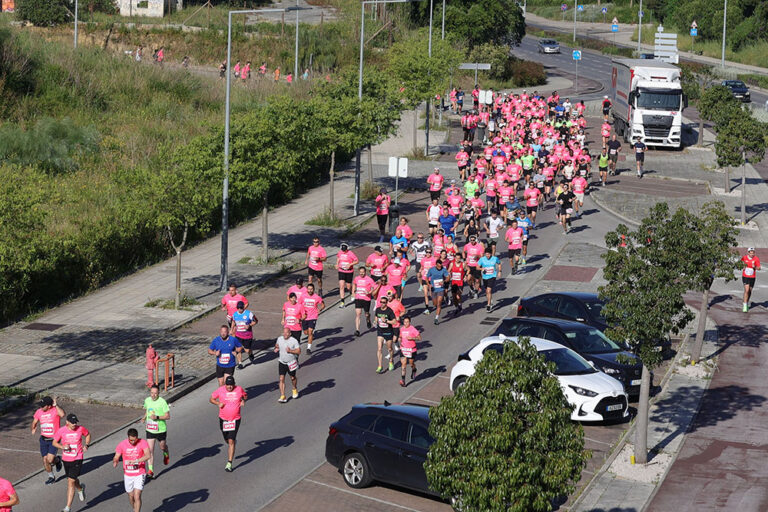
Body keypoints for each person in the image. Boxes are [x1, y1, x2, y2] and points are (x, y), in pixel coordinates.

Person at [52, 413, 90, 512]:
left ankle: (67, 508)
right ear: (67, 422)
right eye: (72, 422)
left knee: (70, 481)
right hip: (66, 459)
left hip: (78, 458)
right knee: (72, 479)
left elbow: (87, 434)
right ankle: (80, 488)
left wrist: (86, 445)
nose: (74, 424)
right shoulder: (61, 430)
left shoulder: (80, 429)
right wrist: (62, 447)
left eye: (75, 422)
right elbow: (54, 442)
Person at [209, 376, 247, 471]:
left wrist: (243, 400)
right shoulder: (220, 390)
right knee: (226, 438)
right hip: (223, 419)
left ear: (234, 384)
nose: (229, 387)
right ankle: (231, 441)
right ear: (225, 385)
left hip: (235, 419)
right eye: (228, 385)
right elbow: (211, 399)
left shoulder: (239, 389)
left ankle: (229, 463)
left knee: (231, 441)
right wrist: (218, 403)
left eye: (231, 385)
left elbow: (245, 395)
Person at [113, 428, 150, 512]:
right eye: (131, 440)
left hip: (140, 473)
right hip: (128, 474)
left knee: (137, 495)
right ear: (128, 437)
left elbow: (148, 455)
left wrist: (136, 461)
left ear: (137, 437)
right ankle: (135, 509)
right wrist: (115, 461)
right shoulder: (122, 444)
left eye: (134, 440)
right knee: (131, 496)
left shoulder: (143, 442)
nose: (133, 442)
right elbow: (116, 456)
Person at [30, 396, 64, 485]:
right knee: (45, 460)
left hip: (54, 440)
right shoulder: (39, 411)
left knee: (49, 460)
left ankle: (57, 460)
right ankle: (51, 476)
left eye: (43, 406)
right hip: (43, 440)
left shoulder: (55, 410)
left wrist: (56, 405)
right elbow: (34, 421)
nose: (41, 407)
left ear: (49, 406)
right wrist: (33, 427)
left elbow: (62, 415)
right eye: (40, 405)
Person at [142, 385, 170, 479]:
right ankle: (150, 471)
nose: (153, 395)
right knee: (150, 450)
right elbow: (147, 409)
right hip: (150, 429)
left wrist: (157, 417)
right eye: (152, 393)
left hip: (161, 429)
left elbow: (168, 416)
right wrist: (144, 417)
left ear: (159, 393)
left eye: (155, 393)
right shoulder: (147, 400)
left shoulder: (162, 402)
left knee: (162, 446)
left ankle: (166, 452)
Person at [275, 328, 301, 402]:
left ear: (290, 334)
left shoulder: (294, 341)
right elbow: (277, 345)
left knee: (292, 378)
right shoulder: (279, 339)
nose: (285, 334)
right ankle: (283, 396)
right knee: (281, 379)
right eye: (284, 332)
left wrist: (290, 351)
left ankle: (294, 388)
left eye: (287, 333)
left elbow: (299, 351)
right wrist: (277, 348)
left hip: (291, 362)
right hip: (282, 362)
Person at [231, 301, 258, 367]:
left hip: (247, 335)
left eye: (241, 308)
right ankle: (240, 363)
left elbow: (256, 321)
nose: (240, 309)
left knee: (247, 350)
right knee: (238, 349)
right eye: (238, 308)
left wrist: (249, 325)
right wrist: (231, 329)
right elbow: (233, 322)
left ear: (243, 307)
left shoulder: (249, 313)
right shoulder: (235, 314)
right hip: (238, 335)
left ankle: (250, 353)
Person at [373, 296, 396, 373]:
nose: (382, 304)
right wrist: (375, 322)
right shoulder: (378, 310)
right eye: (381, 302)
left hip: (388, 332)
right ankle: (380, 366)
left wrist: (386, 321)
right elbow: (376, 317)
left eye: (384, 302)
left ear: (386, 303)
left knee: (389, 349)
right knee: (379, 348)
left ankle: (391, 361)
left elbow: (394, 322)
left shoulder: (389, 311)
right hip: (380, 332)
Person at [398, 316, 421, 387]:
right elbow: (400, 336)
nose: (406, 323)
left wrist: (412, 338)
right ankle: (403, 381)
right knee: (403, 365)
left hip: (411, 350)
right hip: (403, 349)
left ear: (410, 322)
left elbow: (419, 338)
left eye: (407, 322)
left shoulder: (412, 329)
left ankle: (414, 369)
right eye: (405, 322)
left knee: (411, 363)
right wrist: (399, 338)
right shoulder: (402, 329)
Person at [301, 283, 324, 354]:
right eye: (309, 289)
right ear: (307, 289)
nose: (310, 290)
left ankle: (308, 348)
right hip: (305, 317)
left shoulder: (317, 297)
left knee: (310, 332)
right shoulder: (303, 296)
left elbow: (323, 305)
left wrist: (320, 309)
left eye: (311, 289)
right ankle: (310, 337)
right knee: (306, 332)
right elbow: (299, 305)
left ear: (313, 289)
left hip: (313, 317)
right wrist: (301, 314)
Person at [352, 266, 375, 337]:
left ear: (365, 272)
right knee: (358, 314)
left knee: (366, 314)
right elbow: (354, 284)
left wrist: (369, 292)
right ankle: (357, 330)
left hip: (366, 299)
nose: (361, 273)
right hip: (358, 298)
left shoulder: (369, 279)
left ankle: (368, 319)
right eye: (360, 272)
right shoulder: (356, 278)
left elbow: (374, 287)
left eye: (363, 272)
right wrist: (353, 292)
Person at [426, 259, 449, 325]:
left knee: (439, 304)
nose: (440, 268)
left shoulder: (443, 269)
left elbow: (448, 277)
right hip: (434, 289)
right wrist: (429, 284)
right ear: (436, 265)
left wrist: (444, 281)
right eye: (438, 266)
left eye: (440, 266)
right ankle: (444, 299)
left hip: (441, 289)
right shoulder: (431, 270)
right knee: (435, 304)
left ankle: (436, 318)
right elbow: (427, 278)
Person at [336, 243, 359, 307]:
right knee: (341, 286)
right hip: (341, 271)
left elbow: (357, 261)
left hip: (349, 271)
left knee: (348, 286)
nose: (344, 251)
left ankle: (352, 293)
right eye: (343, 250)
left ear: (347, 249)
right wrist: (337, 264)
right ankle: (342, 302)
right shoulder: (340, 252)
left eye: (345, 250)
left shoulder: (350, 253)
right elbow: (338, 258)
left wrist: (350, 264)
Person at [742, 247, 761, 312]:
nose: (752, 254)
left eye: (753, 253)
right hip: (745, 276)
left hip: (752, 277)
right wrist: (743, 266)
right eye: (751, 253)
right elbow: (740, 264)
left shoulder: (756, 259)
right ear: (748, 253)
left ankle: (746, 302)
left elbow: (759, 268)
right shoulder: (744, 258)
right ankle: (744, 305)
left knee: (750, 291)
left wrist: (754, 267)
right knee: (746, 290)